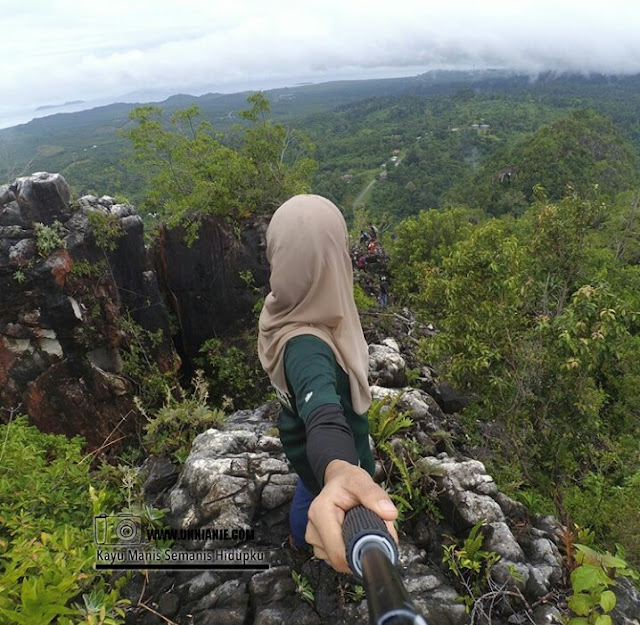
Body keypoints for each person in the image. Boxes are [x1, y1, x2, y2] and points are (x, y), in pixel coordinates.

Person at [258, 194, 398, 573]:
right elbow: (322, 411)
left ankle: (300, 532)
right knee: (315, 492)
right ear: (333, 258)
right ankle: (304, 541)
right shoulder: (307, 348)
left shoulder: (286, 308)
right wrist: (341, 469)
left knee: (308, 484)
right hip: (331, 451)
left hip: (304, 447)